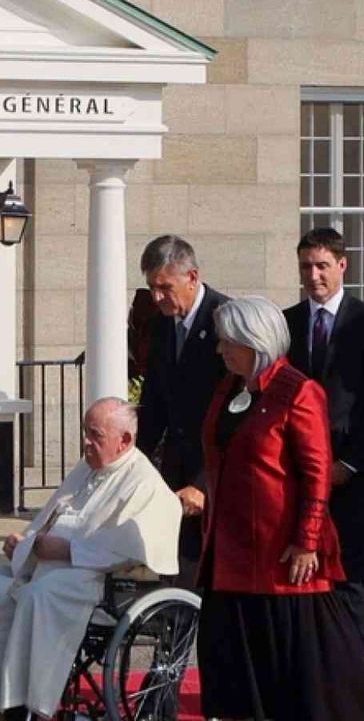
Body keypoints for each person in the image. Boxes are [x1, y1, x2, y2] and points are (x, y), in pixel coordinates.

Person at [0, 398, 181, 721]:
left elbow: (132, 545)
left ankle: (20, 708)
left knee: (40, 596)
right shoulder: (86, 468)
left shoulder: (143, 482)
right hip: (46, 568)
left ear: (124, 441)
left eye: (95, 435)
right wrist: (26, 545)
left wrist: (68, 551)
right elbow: (53, 517)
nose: (86, 443)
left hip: (97, 582)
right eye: (84, 433)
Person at [197, 296, 364, 721]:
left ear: (255, 341)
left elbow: (317, 472)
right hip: (231, 546)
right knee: (237, 655)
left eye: (230, 342)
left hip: (280, 548)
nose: (221, 350)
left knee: (296, 658)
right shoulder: (227, 388)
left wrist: (307, 540)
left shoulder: (297, 390)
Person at [283, 227, 364, 644]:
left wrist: (347, 464)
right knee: (304, 565)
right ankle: (315, 660)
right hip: (300, 469)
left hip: (353, 468)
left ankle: (352, 668)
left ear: (342, 265)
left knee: (348, 568)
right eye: (306, 267)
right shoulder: (288, 322)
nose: (313, 276)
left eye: (322, 266)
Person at [135, 234, 230, 584]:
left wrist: (204, 483)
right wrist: (132, 461)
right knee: (173, 565)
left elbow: (233, 415)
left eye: (165, 287)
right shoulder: (161, 325)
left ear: (192, 277)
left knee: (208, 572)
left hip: (215, 472)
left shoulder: (225, 320)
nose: (157, 297)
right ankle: (175, 632)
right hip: (174, 466)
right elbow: (156, 403)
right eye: (152, 287)